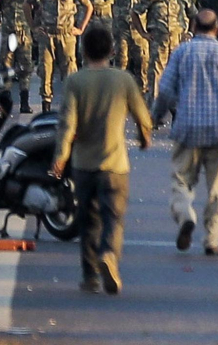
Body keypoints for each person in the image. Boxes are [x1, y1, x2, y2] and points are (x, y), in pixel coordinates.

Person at [52, 26, 153, 294]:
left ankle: (90, 276)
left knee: (87, 222)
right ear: (112, 51)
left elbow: (67, 124)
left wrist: (60, 158)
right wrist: (144, 138)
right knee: (113, 218)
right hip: (115, 164)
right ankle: (109, 255)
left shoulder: (75, 81)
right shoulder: (124, 80)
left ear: (83, 51)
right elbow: (143, 117)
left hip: (84, 165)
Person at [152, 10, 218, 256]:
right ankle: (212, 238)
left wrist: (156, 116)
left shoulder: (181, 53)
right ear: (217, 28)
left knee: (181, 180)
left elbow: (166, 89)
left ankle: (185, 215)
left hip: (188, 127)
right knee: (217, 188)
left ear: (194, 26)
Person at [28, 0, 94, 112]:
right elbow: (28, 3)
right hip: (47, 34)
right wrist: (33, 26)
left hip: (67, 34)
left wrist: (81, 28)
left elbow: (88, 6)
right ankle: (46, 107)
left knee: (70, 71)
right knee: (45, 70)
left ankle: (71, 109)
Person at [131, 0, 193, 106]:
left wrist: (190, 33)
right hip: (158, 41)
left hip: (178, 41)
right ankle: (154, 110)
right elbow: (135, 12)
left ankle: (179, 109)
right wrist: (143, 33)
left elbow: (193, 15)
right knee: (156, 76)